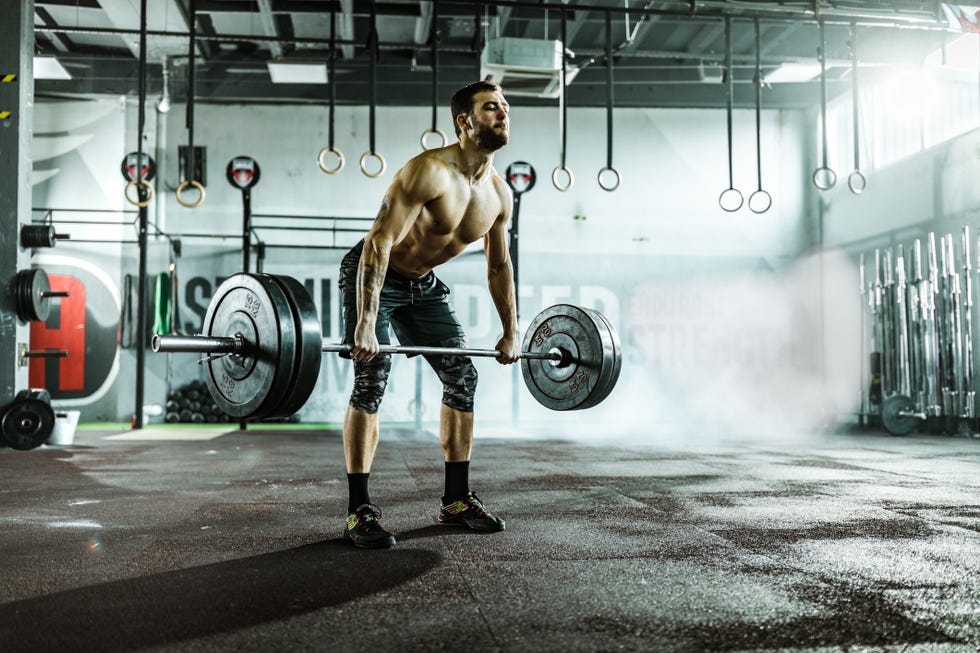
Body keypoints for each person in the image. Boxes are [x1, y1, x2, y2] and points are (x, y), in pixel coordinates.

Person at [338, 81, 518, 549]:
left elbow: (498, 265)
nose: (502, 114)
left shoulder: (499, 195)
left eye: (505, 108)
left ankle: (455, 501)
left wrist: (511, 331)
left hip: (423, 285)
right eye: (491, 108)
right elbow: (378, 242)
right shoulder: (428, 171)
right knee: (371, 375)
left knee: (463, 375)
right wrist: (364, 320)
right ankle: (359, 511)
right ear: (465, 122)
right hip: (375, 273)